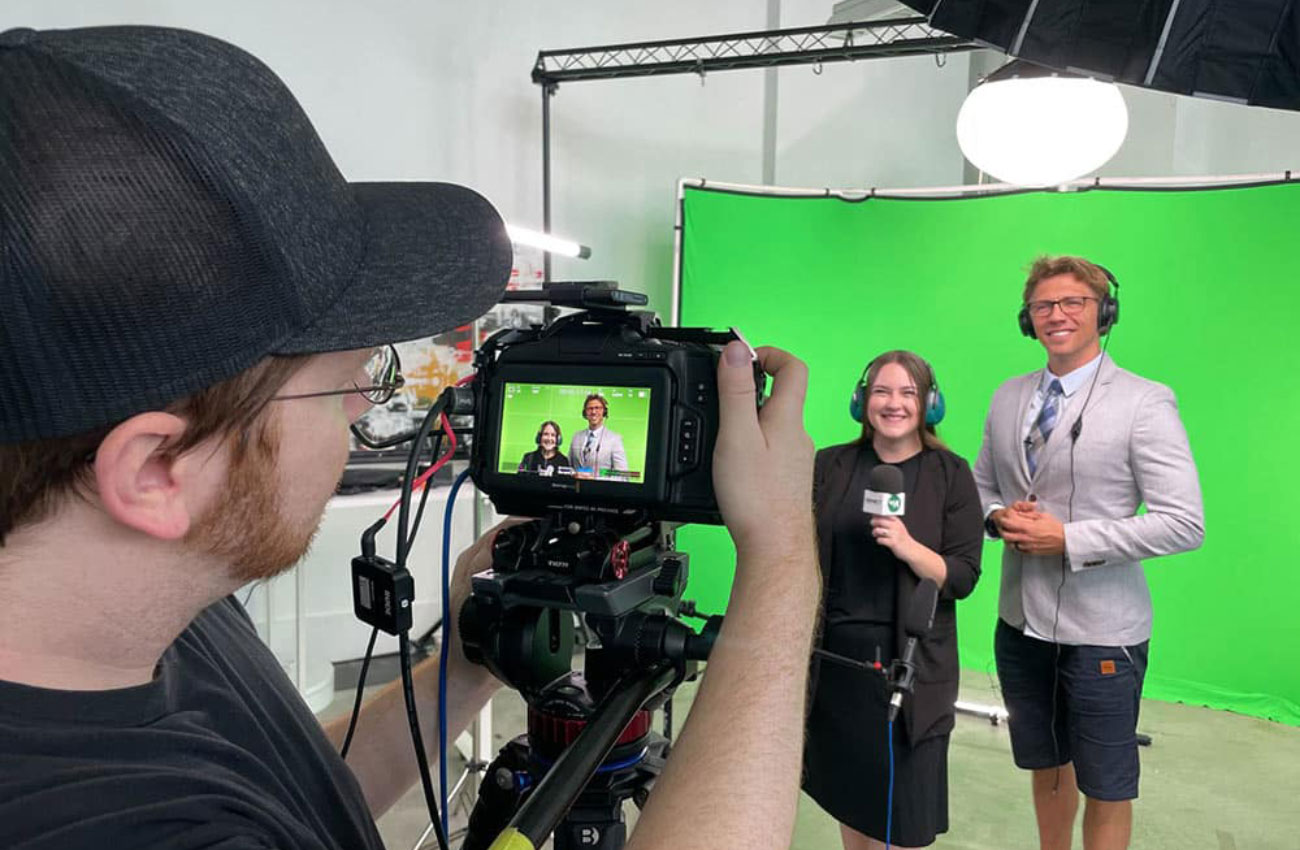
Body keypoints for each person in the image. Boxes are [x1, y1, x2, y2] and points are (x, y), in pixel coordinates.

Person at [0, 25, 820, 850]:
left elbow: (295, 804)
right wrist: (781, 558)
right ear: (156, 472)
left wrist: (464, 671)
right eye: (342, 380)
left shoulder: (161, 611)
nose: (364, 403)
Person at [973, 256, 1204, 850]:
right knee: (1047, 765)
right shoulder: (1007, 398)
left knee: (1106, 783)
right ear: (1028, 320)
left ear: (1104, 312)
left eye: (1073, 302)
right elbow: (979, 487)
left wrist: (1070, 540)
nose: (1057, 315)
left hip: (1104, 631)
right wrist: (997, 518)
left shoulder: (1145, 402)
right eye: (1043, 306)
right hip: (1020, 624)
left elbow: (1184, 523)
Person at [804, 350, 983, 850]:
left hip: (912, 668)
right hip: (838, 664)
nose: (894, 404)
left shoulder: (951, 474)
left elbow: (963, 576)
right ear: (862, 401)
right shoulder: (831, 465)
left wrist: (907, 547)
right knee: (852, 798)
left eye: (908, 393)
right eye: (882, 391)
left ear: (930, 404)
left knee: (905, 819)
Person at [568, 392, 628, 478]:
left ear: (604, 411)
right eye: (590, 408)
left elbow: (623, 474)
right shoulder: (576, 437)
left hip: (601, 490)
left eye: (597, 408)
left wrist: (597, 478)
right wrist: (574, 474)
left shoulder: (614, 439)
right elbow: (568, 467)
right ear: (585, 412)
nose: (593, 412)